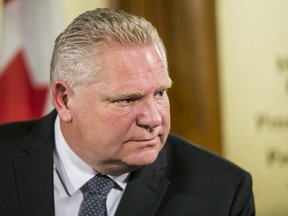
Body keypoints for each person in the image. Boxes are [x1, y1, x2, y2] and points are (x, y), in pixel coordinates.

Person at [0, 8, 255, 216]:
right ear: (64, 99)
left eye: (159, 93)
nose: (154, 119)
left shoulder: (223, 192)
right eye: (128, 100)